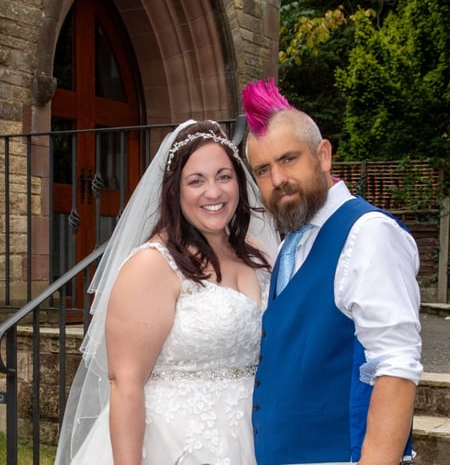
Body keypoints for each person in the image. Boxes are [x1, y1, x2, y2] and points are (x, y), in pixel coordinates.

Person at [55, 119, 278, 465]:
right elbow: (125, 383)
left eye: (223, 176)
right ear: (175, 190)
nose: (214, 192)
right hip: (173, 446)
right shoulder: (152, 265)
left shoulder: (258, 254)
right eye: (196, 181)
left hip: (254, 438)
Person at [242, 79, 422, 465]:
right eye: (263, 170)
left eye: (288, 159)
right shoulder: (291, 245)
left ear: (323, 155)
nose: (277, 179)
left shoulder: (369, 233)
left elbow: (396, 366)